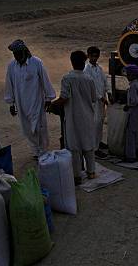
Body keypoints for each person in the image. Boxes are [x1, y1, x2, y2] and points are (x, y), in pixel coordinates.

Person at [4, 39, 56, 159]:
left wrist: (49, 98)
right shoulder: (12, 66)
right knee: (27, 129)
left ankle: (43, 150)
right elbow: (9, 84)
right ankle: (36, 151)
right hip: (21, 103)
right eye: (14, 54)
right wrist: (11, 103)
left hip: (36, 101)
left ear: (24, 52)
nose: (16, 56)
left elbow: (45, 80)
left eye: (18, 54)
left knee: (40, 127)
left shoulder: (36, 62)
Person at [52, 51, 97, 185]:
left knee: (74, 147)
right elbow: (93, 98)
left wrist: (52, 105)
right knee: (88, 145)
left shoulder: (67, 78)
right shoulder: (89, 79)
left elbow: (64, 97)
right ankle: (91, 172)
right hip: (87, 117)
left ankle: (77, 176)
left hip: (73, 118)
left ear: (71, 62)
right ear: (84, 63)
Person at [83, 46, 111, 158]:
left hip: (101, 101)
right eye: (92, 56)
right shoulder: (86, 70)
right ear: (88, 56)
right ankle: (94, 148)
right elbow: (91, 88)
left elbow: (105, 81)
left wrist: (109, 92)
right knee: (95, 124)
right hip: (94, 102)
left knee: (100, 122)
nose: (95, 58)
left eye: (96, 56)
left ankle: (98, 142)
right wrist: (101, 97)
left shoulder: (99, 68)